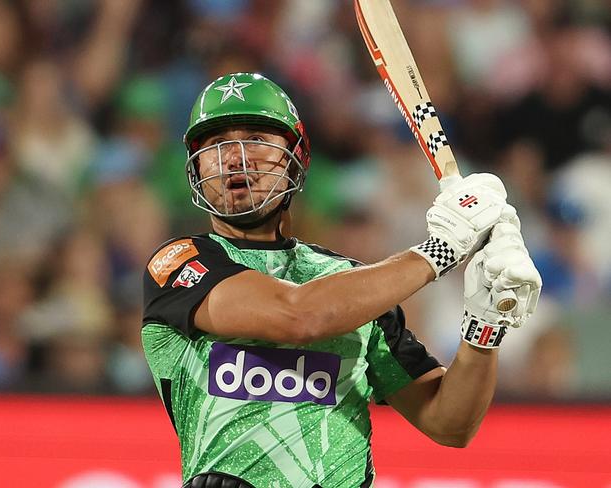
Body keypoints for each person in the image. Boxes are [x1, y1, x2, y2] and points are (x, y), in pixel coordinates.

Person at [142, 73, 542, 488]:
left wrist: (485, 324)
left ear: (297, 156)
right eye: (216, 145)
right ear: (193, 166)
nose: (235, 156)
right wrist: (441, 250)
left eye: (257, 139)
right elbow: (299, 316)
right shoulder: (177, 264)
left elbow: (449, 423)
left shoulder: (354, 288)